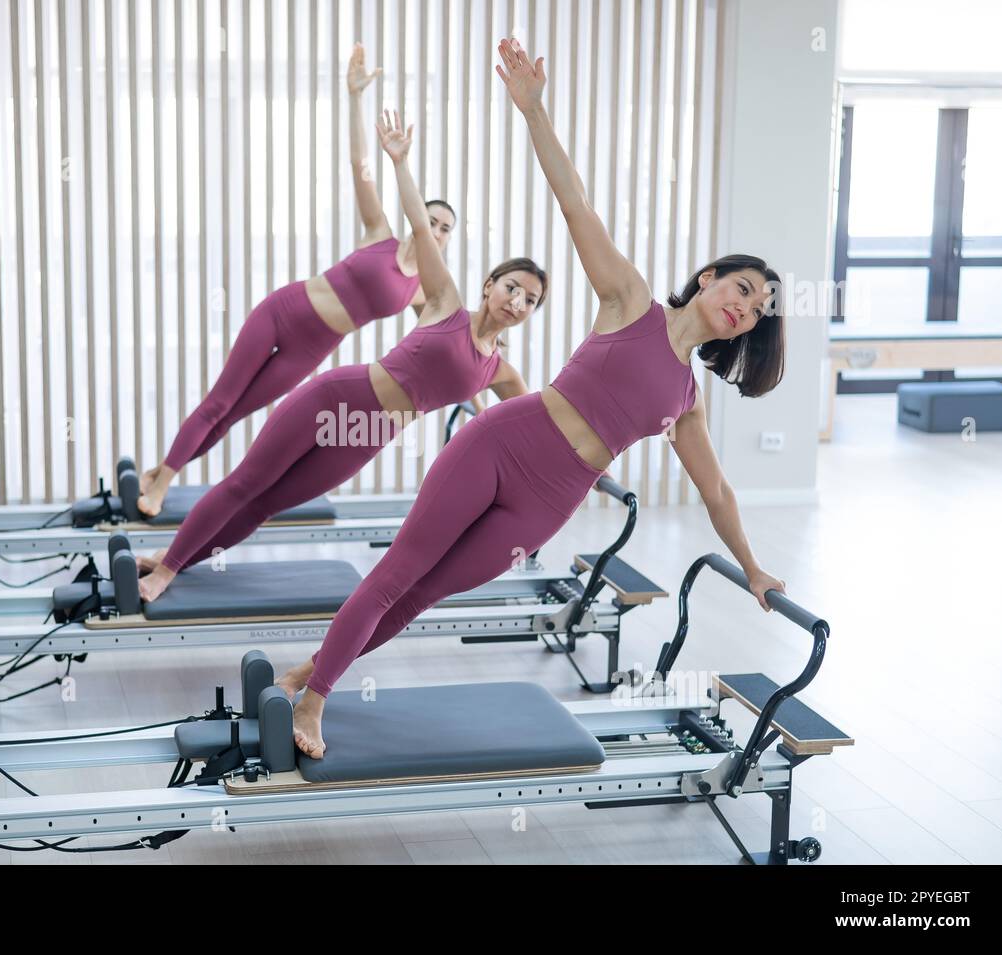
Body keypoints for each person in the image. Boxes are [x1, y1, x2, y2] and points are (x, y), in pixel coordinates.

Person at [279, 37, 789, 759]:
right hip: (500, 445)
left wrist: (755, 565)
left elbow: (716, 492)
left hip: (548, 501)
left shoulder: (688, 397)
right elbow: (573, 202)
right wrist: (533, 110)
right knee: (400, 570)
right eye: (742, 287)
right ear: (708, 279)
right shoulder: (630, 299)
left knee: (423, 596)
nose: (748, 305)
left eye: (762, 306)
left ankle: (314, 667)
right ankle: (316, 696)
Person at [138, 110, 544, 603]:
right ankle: (167, 566)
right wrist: (399, 163)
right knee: (248, 480)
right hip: (338, 395)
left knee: (266, 505)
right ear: (489, 285)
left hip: (368, 434)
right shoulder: (443, 301)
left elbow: (537, 424)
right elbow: (416, 220)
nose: (517, 302)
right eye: (512, 288)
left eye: (530, 300)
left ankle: (173, 560)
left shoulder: (501, 371)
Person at [137, 44, 455, 517]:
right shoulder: (380, 234)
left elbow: (445, 334)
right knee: (219, 402)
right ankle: (163, 479)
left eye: (446, 228)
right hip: (284, 312)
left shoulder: (421, 292)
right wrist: (353, 98)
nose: (437, 230)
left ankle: (162, 472)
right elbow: (360, 169)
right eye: (432, 219)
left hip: (312, 346)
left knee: (234, 416)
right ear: (416, 216)